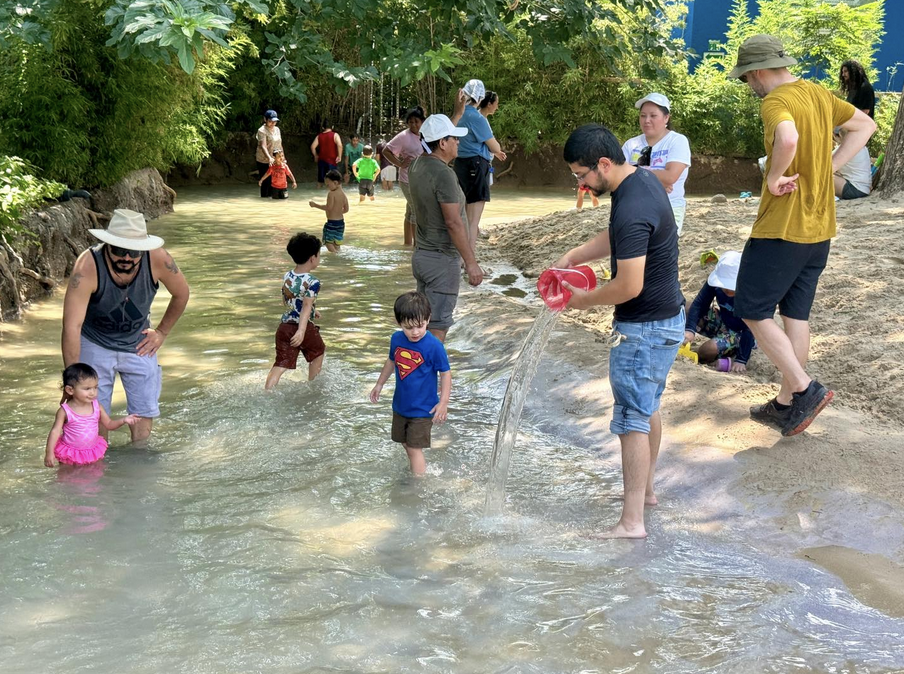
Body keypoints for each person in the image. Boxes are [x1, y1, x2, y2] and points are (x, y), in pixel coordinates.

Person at [728, 34, 875, 436]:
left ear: (757, 71)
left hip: (782, 229)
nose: (749, 86)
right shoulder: (819, 94)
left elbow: (788, 139)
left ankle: (805, 389)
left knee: (752, 309)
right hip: (820, 228)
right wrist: (829, 168)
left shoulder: (776, 101)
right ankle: (786, 404)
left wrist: (774, 177)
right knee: (796, 315)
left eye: (746, 78)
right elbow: (865, 126)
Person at [553, 124, 685, 539]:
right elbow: (619, 237)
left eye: (582, 175)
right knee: (648, 406)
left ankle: (631, 524)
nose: (581, 183)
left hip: (643, 327)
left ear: (604, 164)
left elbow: (629, 285)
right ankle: (644, 493)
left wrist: (578, 300)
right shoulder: (642, 179)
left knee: (631, 417)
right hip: (667, 319)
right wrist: (577, 254)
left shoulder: (630, 206)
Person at [61, 209, 190, 444]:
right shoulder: (88, 265)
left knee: (143, 412)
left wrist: (161, 332)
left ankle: (138, 467)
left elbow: (182, 293)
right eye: (120, 250)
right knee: (92, 413)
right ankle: (97, 460)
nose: (127, 258)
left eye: (134, 252)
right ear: (108, 245)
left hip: (139, 342)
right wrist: (72, 380)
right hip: (95, 341)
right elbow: (72, 326)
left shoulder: (158, 258)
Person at [407, 114, 483, 343]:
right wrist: (471, 263)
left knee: (419, 327)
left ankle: (416, 375)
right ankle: (432, 379)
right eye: (454, 139)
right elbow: (453, 222)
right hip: (441, 260)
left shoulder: (416, 166)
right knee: (437, 330)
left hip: (422, 256)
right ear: (442, 143)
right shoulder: (443, 174)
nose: (458, 143)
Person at [369, 291, 451, 476]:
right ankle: (419, 469)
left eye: (420, 326)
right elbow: (391, 361)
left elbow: (445, 373)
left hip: (423, 408)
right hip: (401, 405)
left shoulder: (434, 346)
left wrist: (443, 402)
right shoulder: (396, 339)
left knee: (414, 448)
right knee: (404, 442)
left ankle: (417, 485)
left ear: (428, 319)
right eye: (409, 327)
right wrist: (380, 384)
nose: (415, 332)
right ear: (399, 323)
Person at [621, 93, 691, 235]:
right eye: (643, 116)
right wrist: (655, 181)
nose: (647, 120)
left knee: (660, 254)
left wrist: (634, 173)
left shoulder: (677, 141)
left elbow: (671, 177)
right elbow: (618, 177)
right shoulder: (631, 145)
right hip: (635, 208)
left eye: (653, 116)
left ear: (666, 117)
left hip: (668, 208)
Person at [44, 363, 139, 467]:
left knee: (94, 476)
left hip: (92, 452)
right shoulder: (65, 411)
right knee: (67, 478)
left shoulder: (96, 406)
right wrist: (49, 453)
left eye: (95, 387)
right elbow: (55, 432)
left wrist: (124, 420)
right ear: (70, 390)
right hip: (70, 454)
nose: (93, 392)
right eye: (87, 388)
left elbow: (109, 424)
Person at [450, 79, 507, 252]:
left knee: (463, 217)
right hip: (476, 165)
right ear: (481, 98)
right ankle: (468, 261)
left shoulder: (458, 115)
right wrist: (497, 150)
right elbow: (495, 146)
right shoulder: (476, 117)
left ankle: (459, 258)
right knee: (473, 220)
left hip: (459, 165)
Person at [265, 233, 326, 389]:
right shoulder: (313, 282)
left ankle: (268, 390)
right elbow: (305, 305)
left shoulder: (288, 275)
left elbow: (288, 299)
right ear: (313, 258)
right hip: (301, 327)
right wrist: (301, 330)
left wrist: (313, 310)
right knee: (318, 352)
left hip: (284, 326)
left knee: (281, 364)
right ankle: (314, 386)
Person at [684, 251, 754, 372]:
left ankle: (717, 356)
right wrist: (690, 330)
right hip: (722, 320)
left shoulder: (750, 293)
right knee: (685, 308)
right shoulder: (715, 284)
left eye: (732, 288)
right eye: (725, 287)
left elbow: (751, 327)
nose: (728, 291)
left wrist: (741, 360)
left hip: (740, 333)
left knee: (706, 350)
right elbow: (699, 304)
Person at [383, 107, 426, 246]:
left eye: (416, 121)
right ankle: (416, 246)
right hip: (408, 180)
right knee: (416, 211)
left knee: (410, 211)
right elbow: (386, 151)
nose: (413, 125)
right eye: (410, 122)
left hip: (421, 180)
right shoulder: (403, 136)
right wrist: (400, 163)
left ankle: (407, 244)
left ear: (422, 122)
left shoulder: (426, 134)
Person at [309, 169, 349, 253]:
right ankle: (338, 254)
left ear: (335, 183)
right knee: (336, 243)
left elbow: (329, 208)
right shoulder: (343, 194)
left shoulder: (331, 194)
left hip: (331, 223)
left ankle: (335, 256)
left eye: (328, 184)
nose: (327, 187)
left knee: (328, 242)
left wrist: (315, 205)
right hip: (341, 223)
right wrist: (337, 211)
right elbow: (346, 209)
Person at [833, 128, 871, 200]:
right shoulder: (861, 146)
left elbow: (823, 162)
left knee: (819, 175)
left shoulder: (843, 149)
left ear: (837, 136)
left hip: (855, 190)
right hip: (864, 189)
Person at [256, 109, 282, 198]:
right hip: (263, 160)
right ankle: (264, 200)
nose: (272, 123)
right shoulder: (261, 130)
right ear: (265, 119)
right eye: (270, 121)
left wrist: (283, 158)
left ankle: (272, 201)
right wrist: (269, 158)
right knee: (265, 182)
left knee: (275, 181)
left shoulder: (277, 130)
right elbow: (263, 146)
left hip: (276, 159)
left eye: (274, 122)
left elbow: (280, 145)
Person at [311, 120, 343, 189]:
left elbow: (313, 146)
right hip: (331, 161)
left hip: (321, 160)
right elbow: (339, 145)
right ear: (332, 127)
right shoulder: (335, 135)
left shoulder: (319, 136)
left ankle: (318, 193)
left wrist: (316, 155)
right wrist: (339, 156)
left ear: (323, 127)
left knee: (320, 181)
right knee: (333, 181)